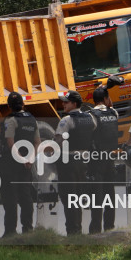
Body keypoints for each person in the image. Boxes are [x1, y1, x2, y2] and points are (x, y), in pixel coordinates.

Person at [0, 92, 40, 237]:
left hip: (12, 165)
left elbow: (10, 142)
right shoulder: (32, 119)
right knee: (26, 196)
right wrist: (29, 159)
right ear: (23, 104)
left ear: (9, 106)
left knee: (10, 198)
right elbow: (37, 142)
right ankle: (27, 229)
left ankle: (10, 232)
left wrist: (21, 159)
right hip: (26, 165)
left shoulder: (11, 120)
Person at [55, 90, 95, 235]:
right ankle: (78, 229)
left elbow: (57, 142)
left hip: (69, 163)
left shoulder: (66, 120)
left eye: (66, 102)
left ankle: (73, 230)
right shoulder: (90, 118)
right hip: (84, 162)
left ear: (75, 103)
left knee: (68, 197)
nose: (63, 104)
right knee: (78, 197)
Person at [88, 85, 119, 234]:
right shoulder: (114, 113)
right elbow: (110, 106)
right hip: (111, 159)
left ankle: (95, 229)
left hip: (97, 161)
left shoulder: (91, 115)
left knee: (97, 196)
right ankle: (109, 227)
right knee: (110, 195)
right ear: (106, 99)